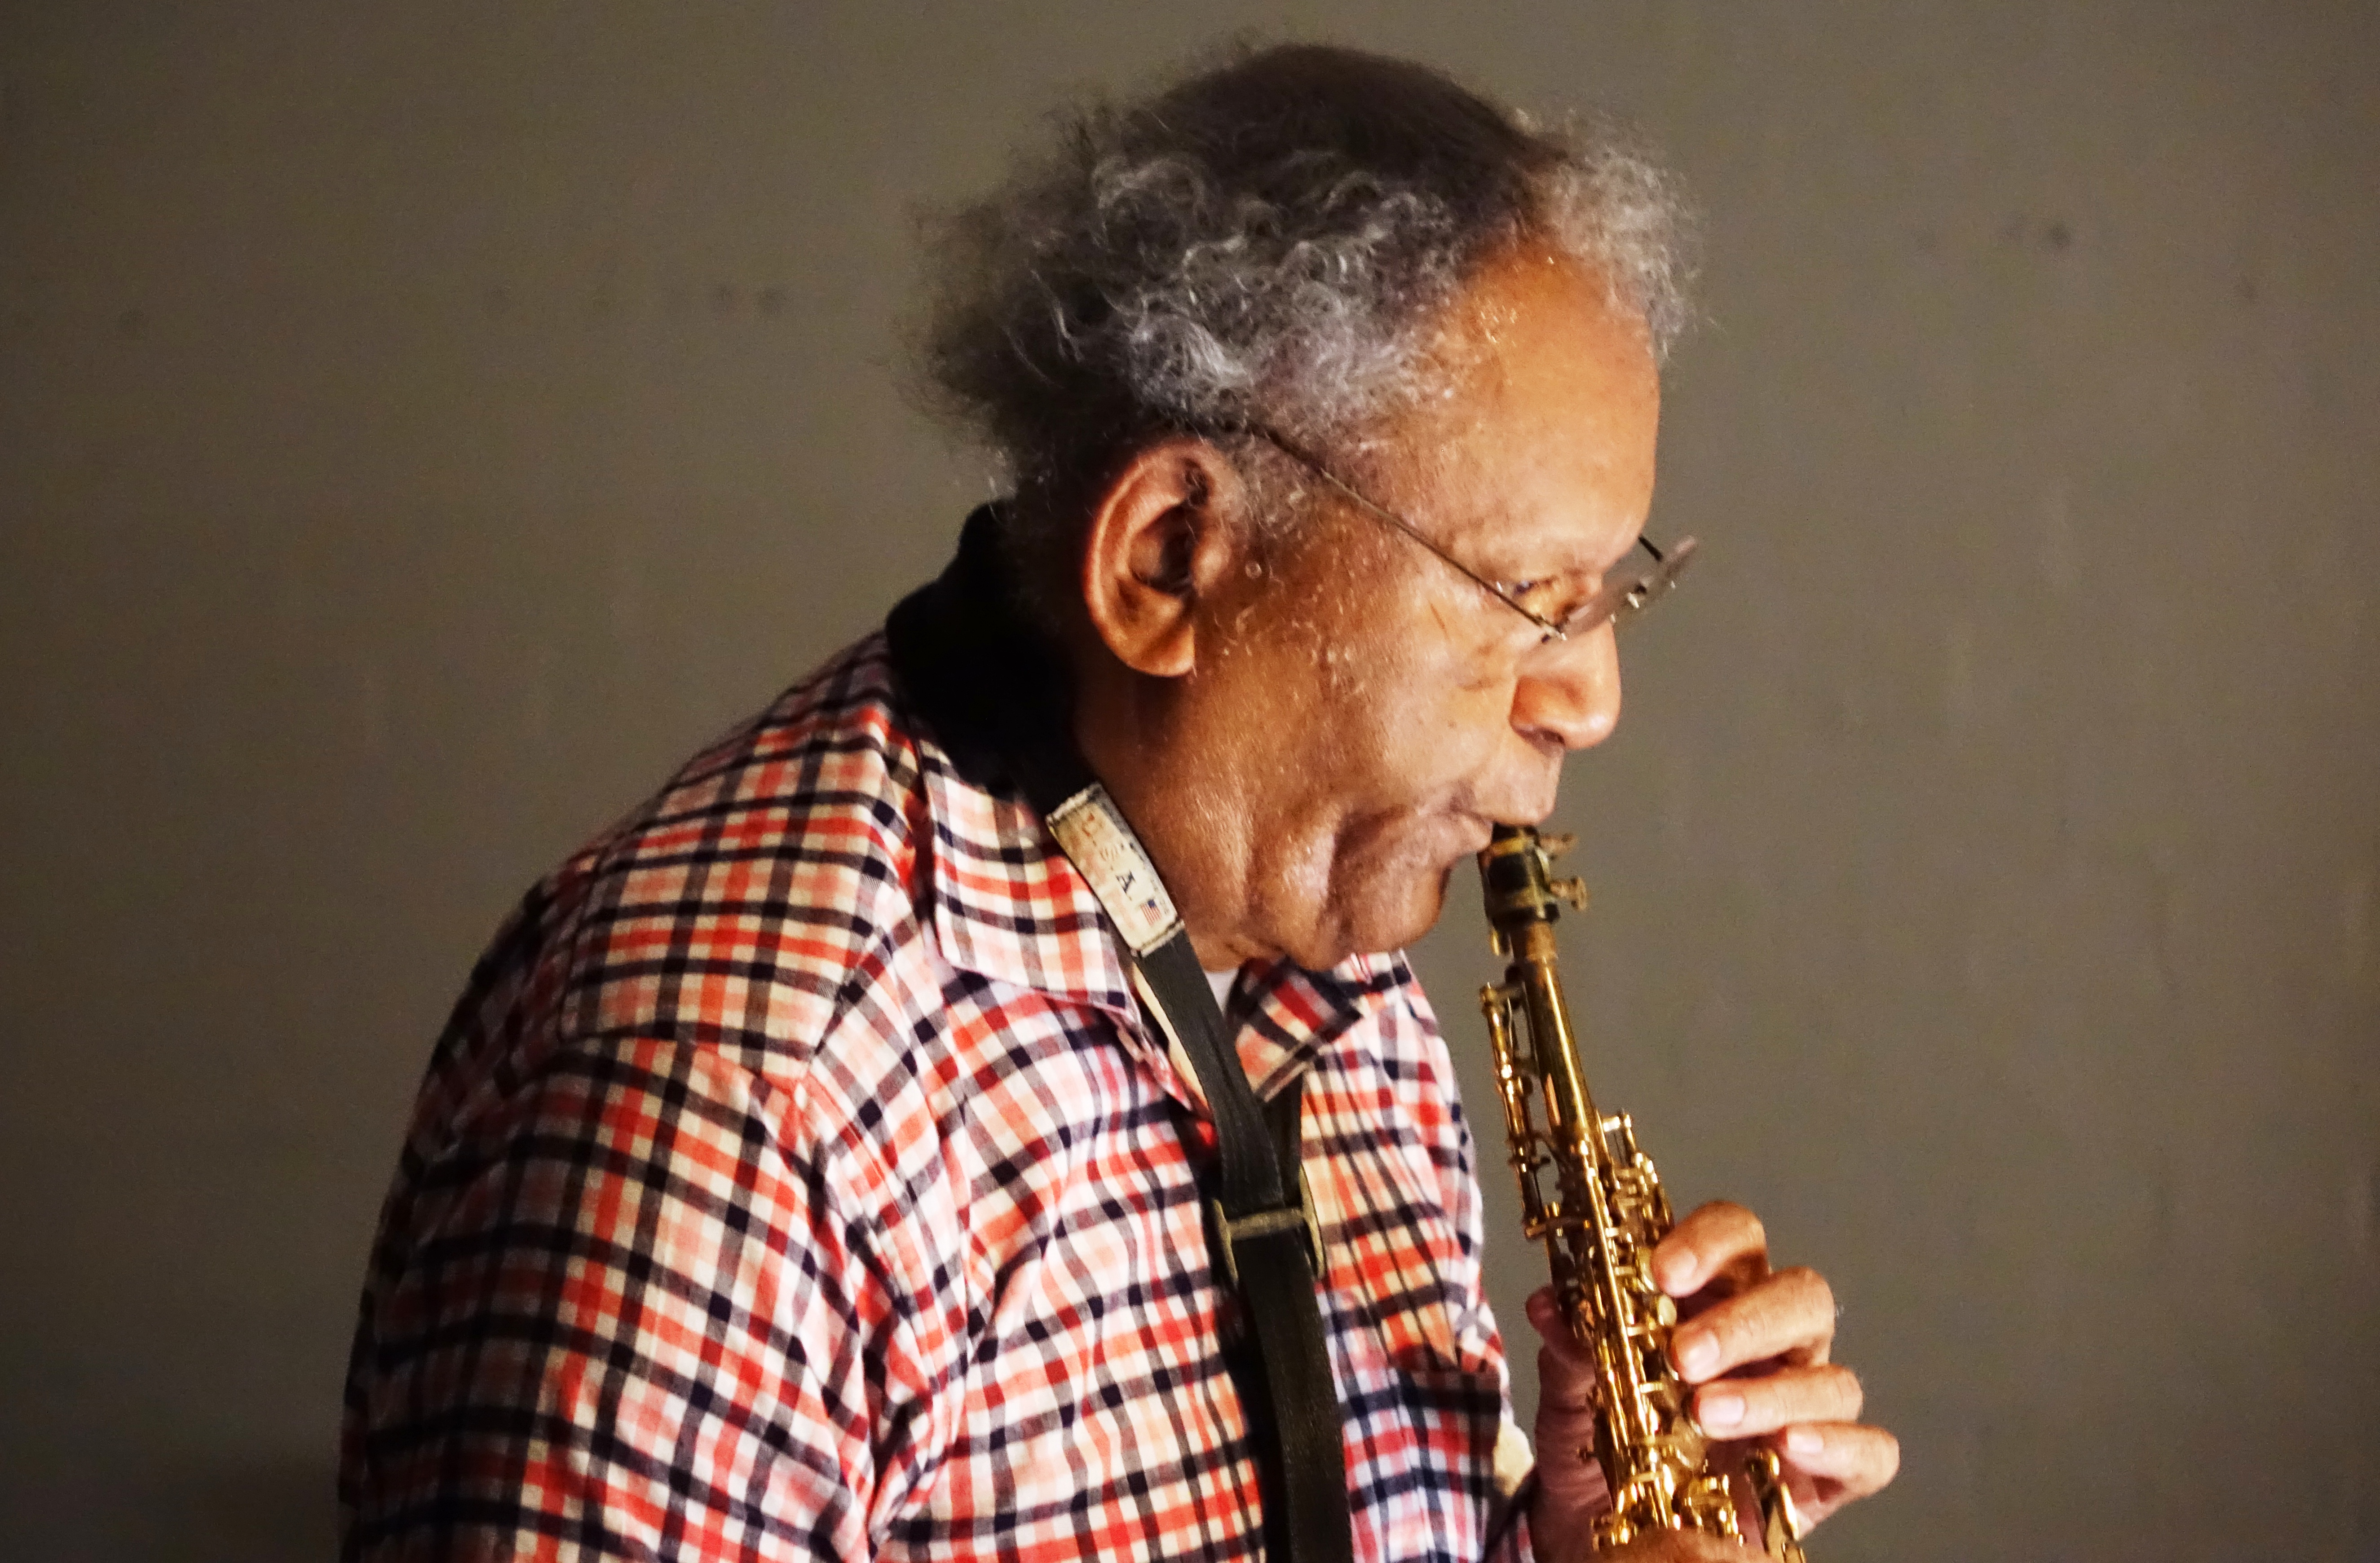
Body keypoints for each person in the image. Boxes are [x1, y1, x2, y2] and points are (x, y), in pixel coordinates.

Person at [339, 42, 1899, 1563]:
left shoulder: (1334, 970)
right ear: (1168, 560)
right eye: (1521, 592)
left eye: (1613, 585)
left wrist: (1567, 1528)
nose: (1591, 696)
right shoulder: (730, 1098)